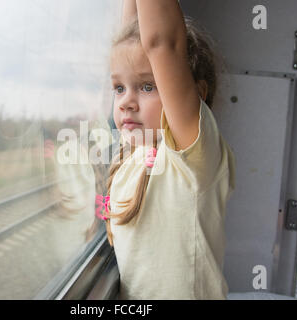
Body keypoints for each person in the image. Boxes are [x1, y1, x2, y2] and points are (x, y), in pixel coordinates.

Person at [102, 0, 236, 299]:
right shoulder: (133, 153)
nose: (126, 102)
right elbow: (133, 31)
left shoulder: (193, 158)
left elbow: (161, 43)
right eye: (119, 88)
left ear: (196, 96)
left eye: (147, 86)